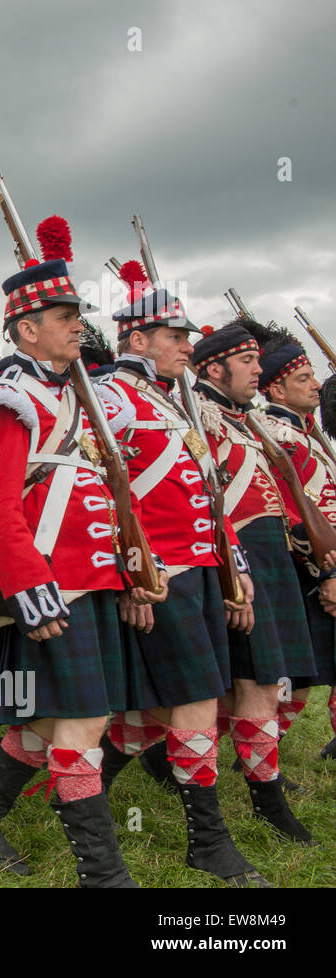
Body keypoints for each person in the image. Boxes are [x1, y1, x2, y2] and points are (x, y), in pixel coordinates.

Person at [0, 216, 164, 886]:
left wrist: (131, 573)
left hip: (89, 584)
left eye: (77, 314)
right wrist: (27, 588)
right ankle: (103, 874)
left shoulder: (77, 395)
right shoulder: (4, 397)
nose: (78, 325)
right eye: (64, 315)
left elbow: (105, 494)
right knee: (82, 726)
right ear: (24, 327)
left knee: (50, 721)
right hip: (47, 587)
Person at [91, 264, 266, 887]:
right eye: (176, 335)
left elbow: (207, 495)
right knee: (192, 702)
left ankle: (76, 789)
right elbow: (102, 489)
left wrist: (230, 572)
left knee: (164, 711)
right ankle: (208, 842)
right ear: (136, 339)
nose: (190, 345)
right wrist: (130, 573)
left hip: (197, 572)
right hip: (159, 575)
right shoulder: (110, 394)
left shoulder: (172, 398)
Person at [188, 322, 319, 845]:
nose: (259, 371)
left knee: (263, 683)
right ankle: (267, 800)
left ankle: (265, 793)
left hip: (267, 557)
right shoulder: (200, 414)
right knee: (228, 689)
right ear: (215, 367)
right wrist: (231, 565)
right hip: (236, 556)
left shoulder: (244, 422)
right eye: (248, 362)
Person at [255, 330, 336, 764]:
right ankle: (251, 758)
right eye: (304, 377)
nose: (316, 385)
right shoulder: (277, 436)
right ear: (277, 388)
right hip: (303, 571)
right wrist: (328, 573)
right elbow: (293, 515)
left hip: (321, 566)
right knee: (293, 682)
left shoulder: (301, 433)